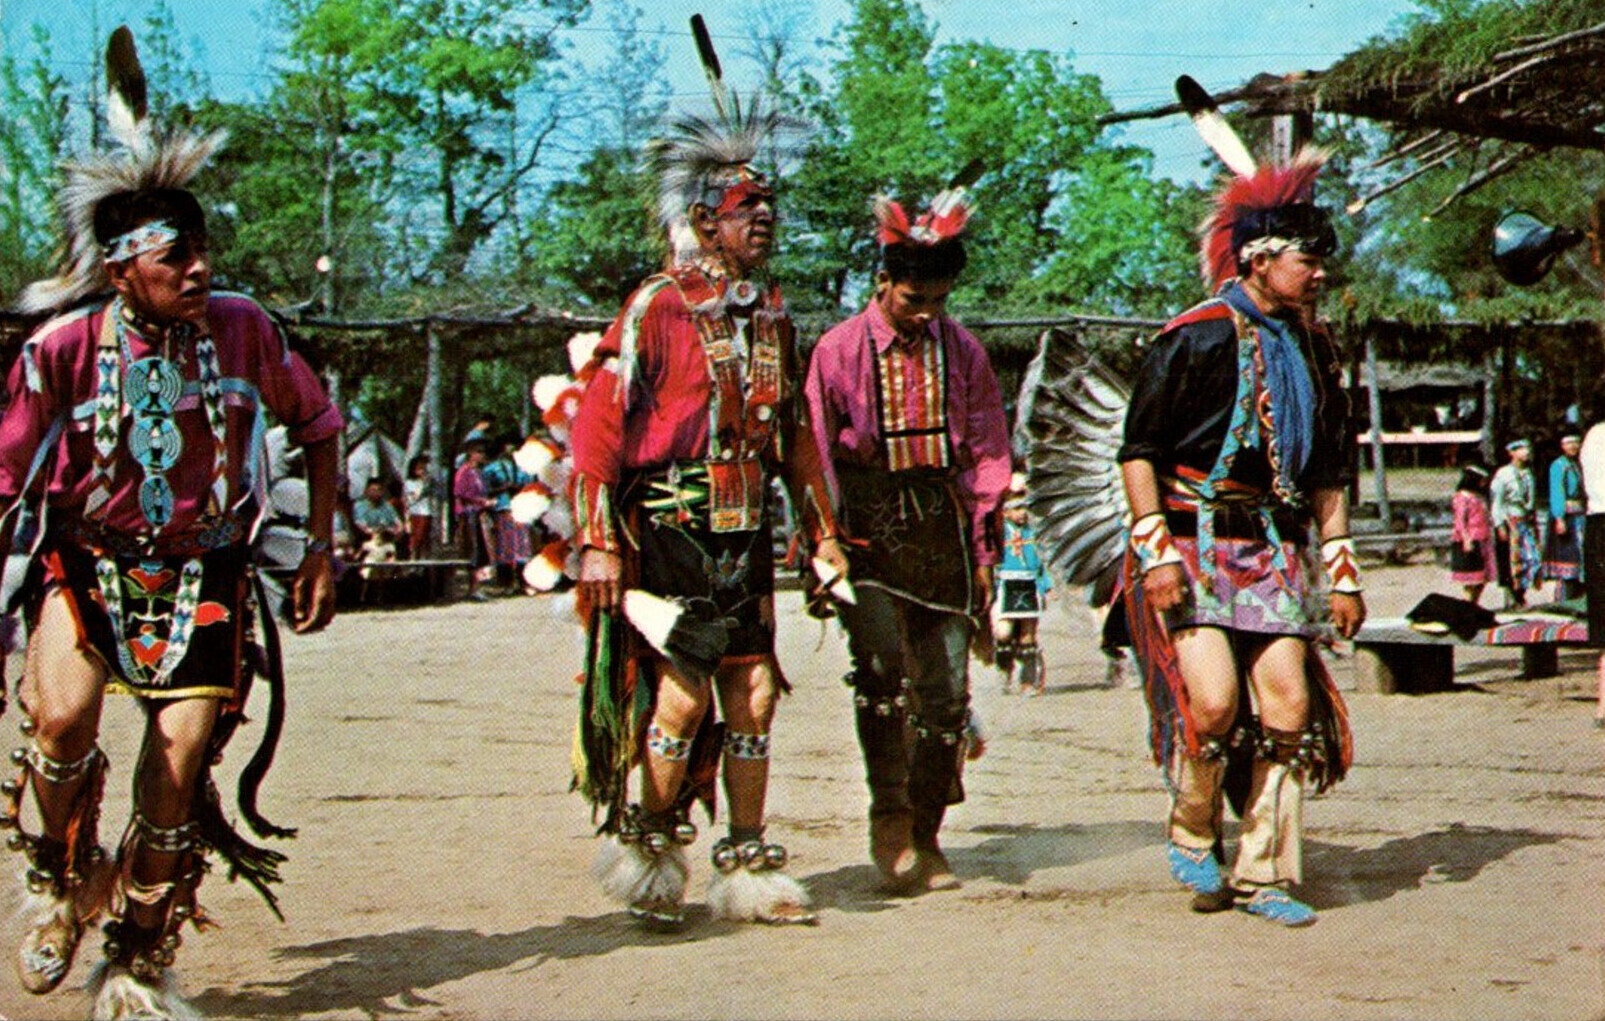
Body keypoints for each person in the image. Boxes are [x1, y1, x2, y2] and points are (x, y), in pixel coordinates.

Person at [0, 26, 341, 1018]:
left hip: (207, 571)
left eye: (202, 251)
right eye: (174, 256)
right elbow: (5, 472)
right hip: (88, 561)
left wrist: (320, 545)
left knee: (178, 767)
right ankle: (53, 880)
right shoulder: (62, 349)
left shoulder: (244, 328)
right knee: (61, 721)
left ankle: (140, 956)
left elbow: (319, 426)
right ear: (120, 271)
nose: (199, 269)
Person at [568, 93, 847, 929]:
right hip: (669, 526)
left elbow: (794, 434)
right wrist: (597, 542)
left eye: (768, 205)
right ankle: (652, 853)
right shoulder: (657, 304)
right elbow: (598, 426)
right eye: (744, 205)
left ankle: (748, 865)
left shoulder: (772, 312)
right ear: (703, 220)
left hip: (745, 528)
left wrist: (823, 534)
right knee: (684, 699)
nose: (763, 217)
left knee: (753, 693)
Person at [1118, 146, 1360, 927]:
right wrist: (1154, 552)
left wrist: (1341, 568)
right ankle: (1193, 823)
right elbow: (1138, 452)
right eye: (1306, 260)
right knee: (1215, 702)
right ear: (1258, 259)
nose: (1318, 274)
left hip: (1273, 549)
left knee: (1288, 706)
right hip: (1191, 542)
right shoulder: (1192, 337)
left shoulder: (1314, 350)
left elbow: (1327, 469)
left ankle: (1263, 872)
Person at [805, 186, 1011, 893]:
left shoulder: (963, 351)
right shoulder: (837, 350)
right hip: (865, 525)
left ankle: (926, 830)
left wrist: (984, 548)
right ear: (882, 282)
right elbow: (815, 453)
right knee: (881, 671)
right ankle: (889, 819)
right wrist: (824, 536)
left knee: (946, 692)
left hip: (940, 524)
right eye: (912, 300)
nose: (925, 313)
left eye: (938, 301)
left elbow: (987, 449)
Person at [993, 473, 1053, 695]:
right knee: (1003, 632)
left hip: (1029, 583)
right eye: (1016, 509)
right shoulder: (1000, 530)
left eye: (1024, 508)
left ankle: (1028, 682)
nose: (1022, 513)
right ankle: (1004, 669)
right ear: (1005, 511)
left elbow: (1042, 560)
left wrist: (1046, 585)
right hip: (1006, 583)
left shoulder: (1034, 532)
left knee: (1028, 635)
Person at [1491, 438, 1541, 608]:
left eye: (1527, 449)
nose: (1526, 452)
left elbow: (1531, 500)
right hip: (1510, 521)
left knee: (1531, 559)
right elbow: (1497, 502)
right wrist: (1499, 524)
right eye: (1521, 449)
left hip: (1525, 522)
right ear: (1511, 453)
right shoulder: (1504, 474)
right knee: (1512, 561)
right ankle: (1513, 597)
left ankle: (1522, 593)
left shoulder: (1528, 473)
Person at [1543, 434, 1585, 599]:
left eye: (1576, 442)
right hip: (1566, 517)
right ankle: (1563, 598)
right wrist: (1559, 517)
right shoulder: (1558, 465)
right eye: (1569, 443)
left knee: (1580, 558)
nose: (1573, 446)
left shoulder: (1577, 465)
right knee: (1567, 559)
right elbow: (1557, 491)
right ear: (1562, 446)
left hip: (1580, 516)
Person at [1449, 464, 1496, 605]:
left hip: (1483, 538)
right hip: (1471, 539)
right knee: (1471, 579)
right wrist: (1466, 539)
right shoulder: (1462, 497)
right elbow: (1460, 520)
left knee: (1482, 578)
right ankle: (1467, 604)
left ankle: (1474, 603)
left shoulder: (1479, 496)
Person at [453, 440, 492, 602]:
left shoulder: (477, 472)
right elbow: (460, 493)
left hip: (478, 513)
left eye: (483, 452)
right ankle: (472, 587)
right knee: (473, 550)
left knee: (481, 551)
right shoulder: (464, 471)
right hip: (468, 514)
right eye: (479, 452)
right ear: (471, 454)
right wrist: (481, 502)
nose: (482, 455)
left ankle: (477, 587)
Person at [351, 477, 403, 543]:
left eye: (379, 490)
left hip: (389, 538)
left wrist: (397, 531)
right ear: (366, 491)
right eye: (373, 490)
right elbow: (361, 526)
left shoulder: (387, 505)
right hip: (369, 540)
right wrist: (379, 532)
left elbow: (398, 522)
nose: (376, 493)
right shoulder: (359, 506)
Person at [403, 455, 435, 559]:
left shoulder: (428, 482)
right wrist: (424, 484)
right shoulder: (409, 483)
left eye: (423, 468)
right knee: (417, 538)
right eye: (419, 468)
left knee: (426, 538)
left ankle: (425, 559)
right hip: (416, 512)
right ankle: (414, 558)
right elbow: (415, 497)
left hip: (427, 512)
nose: (422, 471)